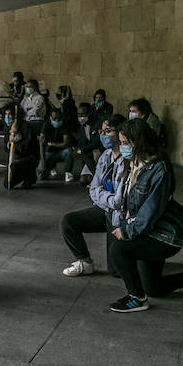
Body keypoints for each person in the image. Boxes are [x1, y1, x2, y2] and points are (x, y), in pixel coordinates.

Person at [106, 119, 183, 312]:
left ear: (139, 142)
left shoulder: (159, 168)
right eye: (121, 142)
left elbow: (151, 209)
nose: (122, 147)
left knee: (119, 250)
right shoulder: (133, 163)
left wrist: (127, 230)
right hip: (148, 230)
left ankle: (136, 298)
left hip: (164, 235)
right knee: (154, 288)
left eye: (126, 143)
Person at [59, 114, 126, 276]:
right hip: (104, 209)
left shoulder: (127, 160)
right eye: (102, 131)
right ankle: (85, 261)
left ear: (121, 133)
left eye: (108, 131)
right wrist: (105, 198)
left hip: (119, 215)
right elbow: (93, 189)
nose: (103, 135)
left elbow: (120, 200)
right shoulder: (105, 156)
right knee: (68, 222)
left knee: (116, 271)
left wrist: (102, 195)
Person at [3, 104, 39, 189]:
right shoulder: (7, 128)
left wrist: (17, 141)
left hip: (28, 157)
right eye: (6, 115)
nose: (7, 117)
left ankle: (30, 176)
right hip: (15, 157)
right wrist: (10, 141)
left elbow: (27, 147)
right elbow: (6, 148)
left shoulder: (26, 126)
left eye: (10, 115)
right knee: (7, 184)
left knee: (19, 166)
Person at [40, 109, 76, 182]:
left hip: (61, 152)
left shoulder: (65, 124)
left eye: (59, 118)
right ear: (50, 117)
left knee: (69, 151)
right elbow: (41, 143)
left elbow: (66, 143)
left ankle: (68, 172)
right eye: (54, 118)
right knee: (40, 176)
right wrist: (43, 161)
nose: (57, 120)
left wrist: (51, 144)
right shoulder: (46, 124)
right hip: (49, 152)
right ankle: (51, 166)